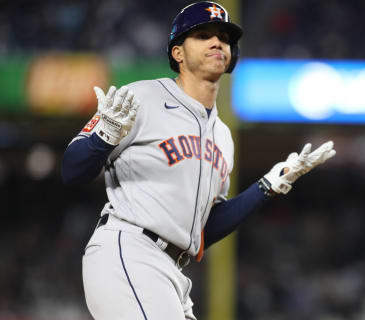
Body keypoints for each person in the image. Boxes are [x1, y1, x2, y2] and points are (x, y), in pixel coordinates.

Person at [61, 1, 336, 319]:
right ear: (177, 53)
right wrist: (102, 138)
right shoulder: (141, 97)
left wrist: (266, 187)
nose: (217, 42)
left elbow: (203, 229)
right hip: (128, 249)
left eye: (224, 37)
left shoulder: (222, 135)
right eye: (203, 35)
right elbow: (71, 171)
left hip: (172, 269)